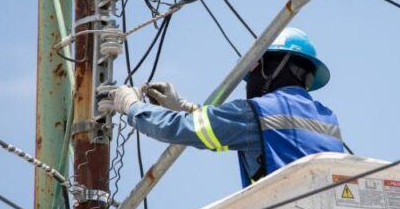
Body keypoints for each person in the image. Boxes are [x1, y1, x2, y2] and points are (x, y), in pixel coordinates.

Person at [108, 27, 343, 187]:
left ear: (272, 66)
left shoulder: (257, 113)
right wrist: (184, 107)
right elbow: (251, 129)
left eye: (252, 66)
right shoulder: (327, 118)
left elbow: (177, 129)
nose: (249, 79)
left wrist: (132, 106)